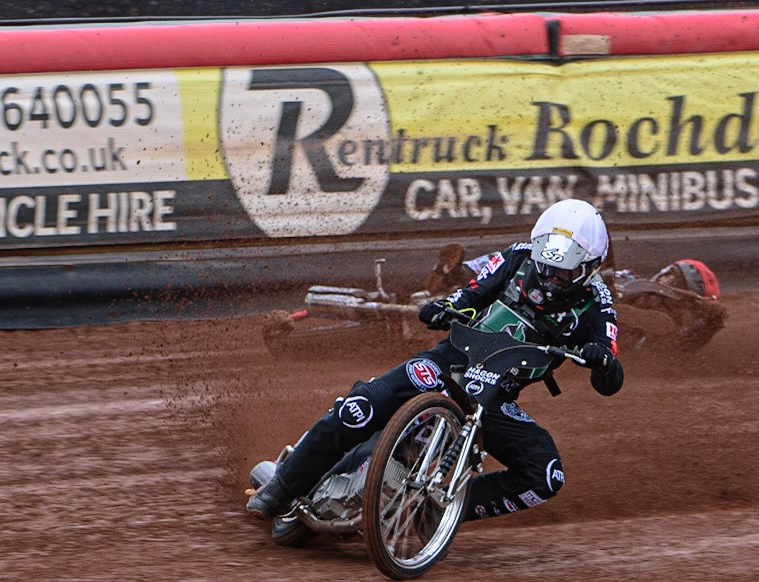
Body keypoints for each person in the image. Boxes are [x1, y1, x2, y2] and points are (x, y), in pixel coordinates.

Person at [246, 198, 624, 523]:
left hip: (495, 398)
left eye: (565, 272)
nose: (552, 278)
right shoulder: (520, 257)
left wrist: (603, 362)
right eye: (548, 265)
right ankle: (281, 487)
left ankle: (438, 512)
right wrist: (444, 307)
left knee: (547, 476)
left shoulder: (599, 305)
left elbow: (611, 379)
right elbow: (473, 292)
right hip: (451, 359)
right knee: (360, 406)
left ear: (590, 267)